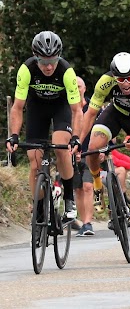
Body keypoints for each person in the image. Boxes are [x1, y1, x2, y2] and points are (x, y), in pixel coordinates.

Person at [79, 52, 130, 248]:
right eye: (120, 80)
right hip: (116, 114)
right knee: (92, 148)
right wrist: (78, 141)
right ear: (114, 77)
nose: (125, 84)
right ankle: (98, 183)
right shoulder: (105, 82)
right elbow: (90, 113)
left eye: (129, 79)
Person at [5, 31, 82, 222]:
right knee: (34, 162)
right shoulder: (27, 69)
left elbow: (77, 111)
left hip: (60, 108)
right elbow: (17, 107)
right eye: (43, 61)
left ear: (59, 57)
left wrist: (76, 138)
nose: (48, 66)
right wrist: (13, 135)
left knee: (60, 146)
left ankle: (69, 197)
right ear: (35, 57)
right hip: (37, 109)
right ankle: (39, 208)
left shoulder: (66, 71)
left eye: (52, 61)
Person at [74, 76, 96, 236]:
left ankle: (88, 223)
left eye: (79, 85)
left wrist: (104, 150)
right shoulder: (68, 108)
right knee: (78, 189)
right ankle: (82, 222)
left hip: (90, 152)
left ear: (85, 88)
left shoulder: (93, 108)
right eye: (74, 85)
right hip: (73, 153)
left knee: (88, 187)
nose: (77, 88)